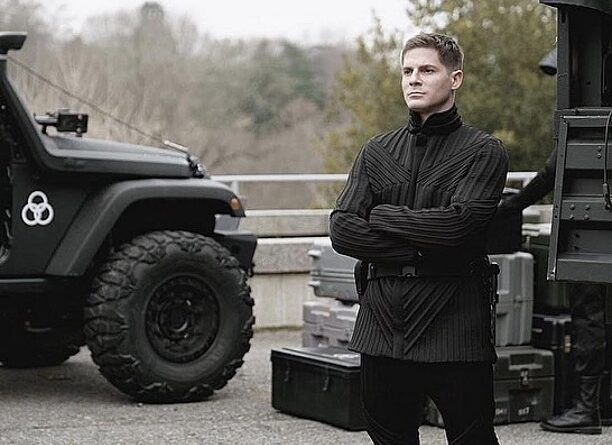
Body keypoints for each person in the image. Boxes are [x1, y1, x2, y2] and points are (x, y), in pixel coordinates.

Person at [329, 32, 508, 445]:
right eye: (407, 71)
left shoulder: (484, 151)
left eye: (427, 70)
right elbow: (342, 229)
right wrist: (424, 247)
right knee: (388, 438)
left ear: (455, 78)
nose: (414, 79)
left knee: (472, 440)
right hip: (381, 325)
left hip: (454, 324)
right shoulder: (377, 151)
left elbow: (460, 226)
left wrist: (382, 215)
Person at [498, 148, 607, 435]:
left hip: (589, 231)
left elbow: (551, 172)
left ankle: (587, 409)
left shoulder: (588, 127)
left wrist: (509, 207)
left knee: (588, 316)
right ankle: (598, 406)